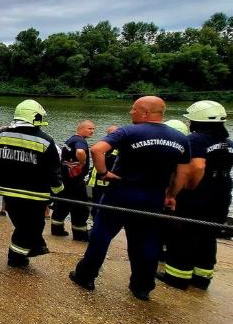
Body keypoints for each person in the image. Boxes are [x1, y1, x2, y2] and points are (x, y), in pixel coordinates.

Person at [69, 96, 190, 301]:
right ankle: (142, 286)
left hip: (121, 192)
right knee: (146, 242)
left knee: (102, 235)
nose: (130, 112)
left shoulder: (129, 131)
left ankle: (86, 276)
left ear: (144, 112)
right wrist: (171, 195)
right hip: (153, 197)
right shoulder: (180, 139)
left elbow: (97, 149)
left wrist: (103, 173)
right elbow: (182, 174)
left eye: (133, 109)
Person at [158, 101, 233, 290]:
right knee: (208, 234)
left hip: (198, 195)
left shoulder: (196, 140)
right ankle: (202, 276)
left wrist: (179, 191)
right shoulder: (229, 144)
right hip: (222, 193)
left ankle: (177, 275)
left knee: (183, 233)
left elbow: (197, 167)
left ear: (197, 121)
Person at [0, 99, 63, 268]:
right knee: (32, 226)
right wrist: (58, 192)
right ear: (34, 117)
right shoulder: (46, 141)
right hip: (35, 194)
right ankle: (16, 257)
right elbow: (54, 171)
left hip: (8, 192)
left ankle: (29, 250)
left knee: (23, 225)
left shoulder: (0, 135)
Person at [51, 120, 95, 241]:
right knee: (80, 207)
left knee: (62, 204)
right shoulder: (80, 141)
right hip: (76, 181)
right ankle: (80, 235)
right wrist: (83, 162)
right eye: (90, 128)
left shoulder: (70, 140)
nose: (92, 131)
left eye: (93, 129)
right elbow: (80, 151)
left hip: (65, 179)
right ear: (80, 129)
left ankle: (56, 229)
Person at [86, 125, 119, 218]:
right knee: (96, 207)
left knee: (105, 208)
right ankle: (95, 226)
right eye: (110, 134)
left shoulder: (119, 148)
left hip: (108, 183)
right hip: (96, 183)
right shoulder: (102, 146)